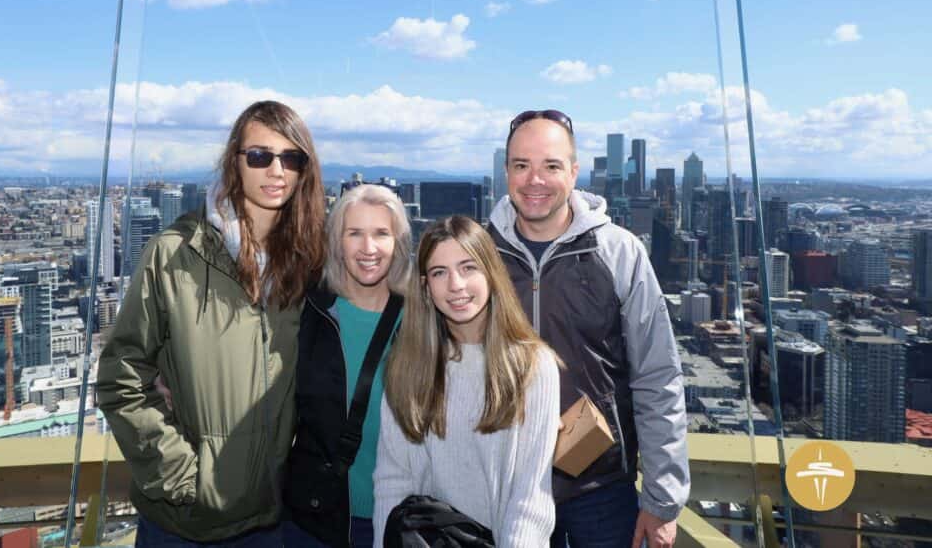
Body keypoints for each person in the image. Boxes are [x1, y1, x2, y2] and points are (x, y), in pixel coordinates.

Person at [96, 100, 326, 547]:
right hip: (182, 525)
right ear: (234, 163)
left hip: (270, 519)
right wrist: (181, 477)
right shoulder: (175, 254)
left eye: (291, 158)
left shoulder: (307, 265)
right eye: (260, 156)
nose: (276, 170)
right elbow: (120, 376)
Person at [487, 110, 690, 548]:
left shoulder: (619, 252)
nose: (534, 180)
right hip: (501, 487)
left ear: (574, 172)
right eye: (521, 165)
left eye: (551, 166)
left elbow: (657, 378)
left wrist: (662, 499)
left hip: (600, 490)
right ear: (505, 172)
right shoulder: (478, 253)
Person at [374, 216, 561, 547]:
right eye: (439, 273)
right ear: (425, 287)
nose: (456, 285)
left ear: (491, 273)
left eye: (468, 267)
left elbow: (530, 500)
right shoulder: (407, 367)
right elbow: (392, 483)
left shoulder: (533, 366)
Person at [283, 184, 413, 547]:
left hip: (401, 520)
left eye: (381, 234)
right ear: (336, 241)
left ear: (398, 242)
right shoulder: (310, 310)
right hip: (316, 521)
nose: (368, 248)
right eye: (354, 233)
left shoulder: (423, 317)